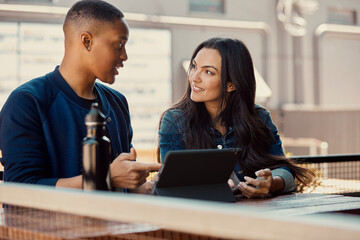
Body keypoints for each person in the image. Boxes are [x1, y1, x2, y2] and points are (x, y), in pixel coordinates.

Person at [0, 0, 160, 193]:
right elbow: (21, 189)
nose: (125, 56)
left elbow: (125, 188)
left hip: (116, 223)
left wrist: (152, 185)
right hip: (53, 224)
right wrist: (105, 177)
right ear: (87, 41)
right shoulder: (27, 102)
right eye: (119, 44)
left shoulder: (117, 102)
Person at [158, 37, 313, 198]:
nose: (194, 78)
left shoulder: (260, 118)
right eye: (194, 67)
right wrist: (209, 186)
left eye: (208, 72)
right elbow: (171, 184)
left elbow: (284, 170)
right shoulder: (174, 121)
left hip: (256, 215)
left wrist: (272, 183)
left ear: (231, 84)